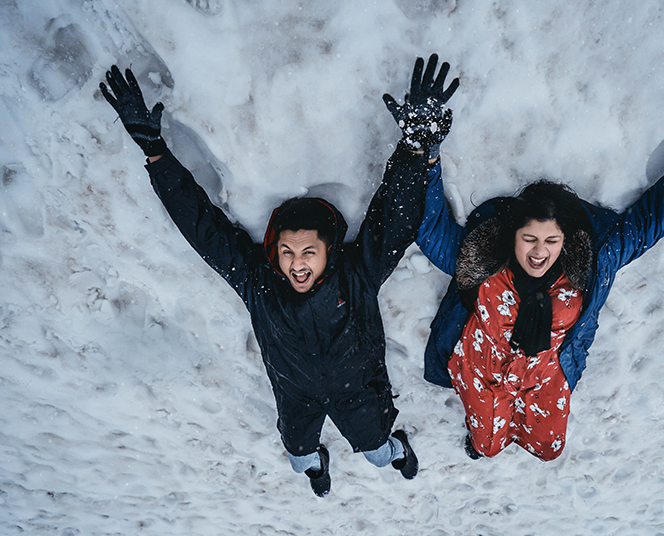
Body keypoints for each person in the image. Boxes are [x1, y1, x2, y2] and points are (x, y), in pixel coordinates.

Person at [99, 54, 459, 496]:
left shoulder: (357, 274)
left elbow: (394, 218)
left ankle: (397, 451)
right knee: (299, 457)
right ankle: (316, 465)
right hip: (296, 396)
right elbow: (203, 228)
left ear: (329, 251)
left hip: (358, 393)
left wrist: (414, 147)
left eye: (309, 252)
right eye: (288, 252)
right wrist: (155, 152)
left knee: (375, 451)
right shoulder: (259, 283)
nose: (297, 263)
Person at [416, 67, 664, 461]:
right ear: (513, 236)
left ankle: (503, 434)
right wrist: (423, 149)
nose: (539, 252)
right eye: (530, 239)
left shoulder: (591, 264)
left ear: (565, 241)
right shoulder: (483, 260)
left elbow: (656, 216)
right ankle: (481, 439)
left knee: (548, 448)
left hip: (544, 380)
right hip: (482, 373)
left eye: (551, 241)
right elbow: (428, 227)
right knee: (487, 444)